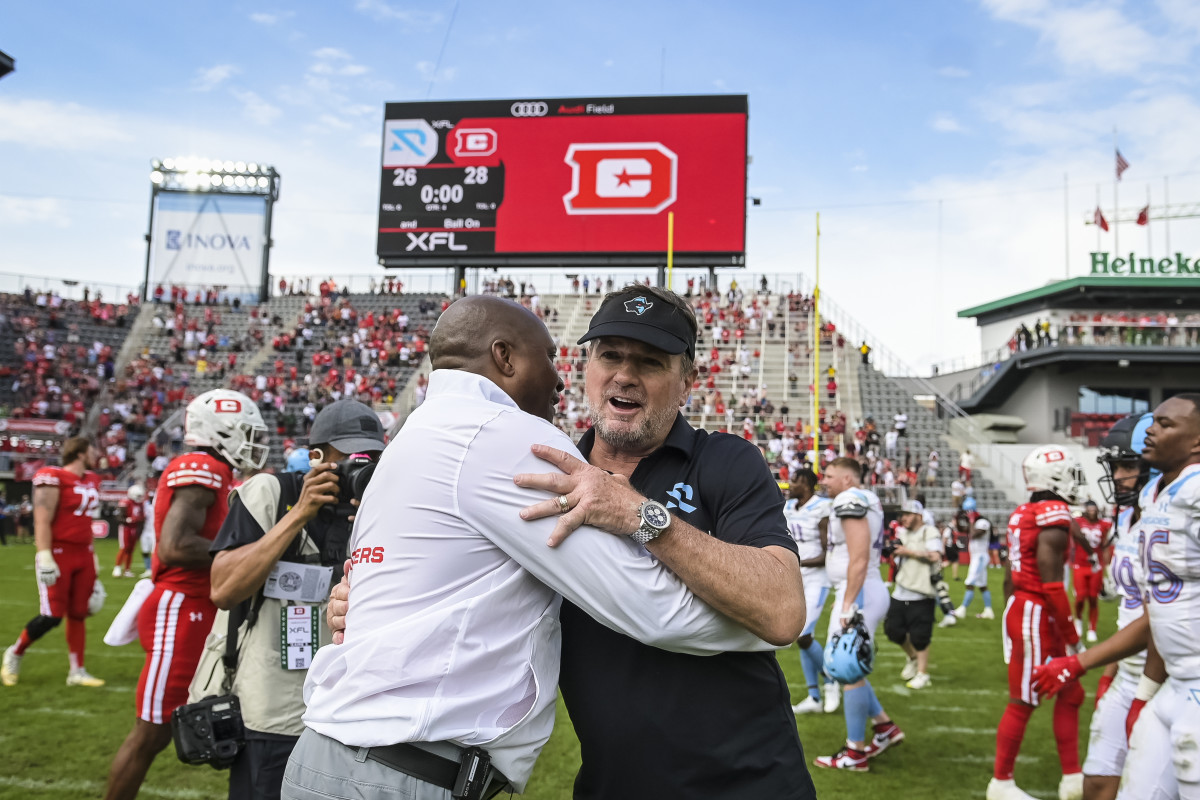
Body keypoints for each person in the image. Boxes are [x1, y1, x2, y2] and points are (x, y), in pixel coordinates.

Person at [295, 291, 816, 799]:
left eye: (651, 363)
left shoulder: (726, 460)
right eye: (610, 355)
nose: (625, 375)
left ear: (687, 383)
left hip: (749, 779)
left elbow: (781, 607)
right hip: (610, 783)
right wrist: (369, 601)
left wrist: (642, 516)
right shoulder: (541, 462)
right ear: (587, 365)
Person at [208, 400, 385, 800]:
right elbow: (223, 588)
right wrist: (300, 514)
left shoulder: (378, 513)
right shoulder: (271, 492)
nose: (364, 468)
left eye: (373, 457)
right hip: (273, 712)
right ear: (317, 456)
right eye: (354, 457)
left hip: (346, 715)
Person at [104, 389, 267, 800]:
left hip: (204, 606)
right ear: (220, 429)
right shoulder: (199, 466)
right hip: (181, 608)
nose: (251, 441)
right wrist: (245, 554)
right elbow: (175, 546)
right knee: (151, 733)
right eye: (244, 431)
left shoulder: (217, 469)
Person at [1031, 413, 1155, 800]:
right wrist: (1112, 673)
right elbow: (1133, 610)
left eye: (1128, 466)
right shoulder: (1130, 519)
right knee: (1097, 784)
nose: (1118, 476)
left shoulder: (1178, 522)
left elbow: (1165, 618)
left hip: (1169, 678)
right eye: (1115, 466)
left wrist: (1081, 663)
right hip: (1130, 673)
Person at [1109, 394, 1200, 800]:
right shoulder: (1154, 494)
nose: (1150, 429)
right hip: (1174, 682)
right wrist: (1145, 691)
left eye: (1166, 424)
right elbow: (1160, 608)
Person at [986, 445, 1086, 800]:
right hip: (1036, 611)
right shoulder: (1052, 513)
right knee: (1024, 699)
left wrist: (1009, 608)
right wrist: (1074, 637)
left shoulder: (1025, 511)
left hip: (1025, 607)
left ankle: (1073, 777)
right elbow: (1052, 584)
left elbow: (1011, 577)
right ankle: (1001, 782)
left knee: (1071, 691)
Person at [813, 457, 904, 771]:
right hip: (866, 589)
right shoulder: (866, 498)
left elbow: (860, 556)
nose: (824, 480)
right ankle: (884, 726)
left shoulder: (849, 498)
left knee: (846, 668)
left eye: (830, 475)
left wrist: (849, 603)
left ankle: (855, 753)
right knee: (851, 668)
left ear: (848, 479)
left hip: (860, 591)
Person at [1, 437, 104, 687]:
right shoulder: (53, 476)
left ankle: (76, 671)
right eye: (92, 449)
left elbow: (85, 521)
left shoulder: (91, 479)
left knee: (79, 613)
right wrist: (44, 553)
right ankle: (14, 653)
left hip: (84, 552)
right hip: (59, 552)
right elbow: (42, 518)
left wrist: (94, 557)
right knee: (52, 615)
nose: (97, 453)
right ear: (80, 453)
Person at [784, 468, 835, 714]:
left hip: (816, 578)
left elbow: (827, 553)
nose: (790, 484)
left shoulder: (822, 508)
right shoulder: (788, 507)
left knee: (803, 635)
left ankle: (832, 679)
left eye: (794, 480)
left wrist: (797, 561)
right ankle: (814, 697)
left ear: (806, 483)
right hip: (795, 578)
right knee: (802, 637)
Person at [884, 500, 942, 689]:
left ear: (918, 515)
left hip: (921, 592)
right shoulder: (903, 533)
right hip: (901, 589)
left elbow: (935, 556)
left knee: (920, 636)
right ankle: (912, 657)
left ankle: (923, 673)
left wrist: (908, 552)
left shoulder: (929, 532)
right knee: (893, 630)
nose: (903, 519)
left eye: (907, 514)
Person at [1071, 500, 1111, 643]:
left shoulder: (1103, 525)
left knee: (1093, 598)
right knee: (1080, 597)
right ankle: (1078, 621)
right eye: (1090, 509)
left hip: (1096, 567)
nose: (1092, 511)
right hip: (1080, 565)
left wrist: (1106, 567)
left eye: (1094, 508)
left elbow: (1105, 545)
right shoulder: (1078, 522)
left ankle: (1092, 629)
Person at [956, 516, 996, 620]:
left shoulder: (983, 522)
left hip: (980, 558)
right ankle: (988, 611)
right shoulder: (974, 523)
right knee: (983, 586)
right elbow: (962, 530)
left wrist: (971, 522)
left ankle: (962, 609)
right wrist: (959, 518)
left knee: (969, 583)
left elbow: (973, 534)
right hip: (977, 557)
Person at [113, 484, 146, 578]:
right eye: (138, 495)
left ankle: (127, 570)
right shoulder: (125, 502)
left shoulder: (140, 504)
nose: (140, 498)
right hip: (126, 528)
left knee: (131, 550)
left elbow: (141, 516)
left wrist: (140, 519)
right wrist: (128, 520)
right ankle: (117, 568)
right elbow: (118, 517)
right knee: (124, 547)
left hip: (134, 528)